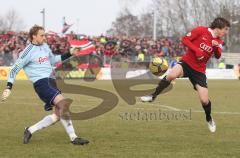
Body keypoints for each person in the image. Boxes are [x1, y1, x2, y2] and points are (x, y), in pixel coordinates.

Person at [1, 25, 89, 145]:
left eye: (44, 35)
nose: (44, 37)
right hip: (41, 83)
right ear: (34, 36)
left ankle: (30, 130)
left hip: (52, 81)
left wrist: (69, 53)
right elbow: (14, 69)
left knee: (58, 114)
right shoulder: (27, 52)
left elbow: (53, 60)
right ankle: (74, 138)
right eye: (41, 35)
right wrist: (8, 87)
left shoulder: (45, 46)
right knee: (63, 104)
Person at [141, 17, 230, 133]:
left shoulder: (218, 41)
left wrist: (217, 47)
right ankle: (152, 96)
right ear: (218, 27)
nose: (226, 32)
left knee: (204, 100)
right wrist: (197, 50)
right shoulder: (201, 30)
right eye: (225, 29)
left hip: (199, 71)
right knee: (172, 75)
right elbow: (185, 40)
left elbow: (218, 56)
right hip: (186, 63)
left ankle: (209, 119)